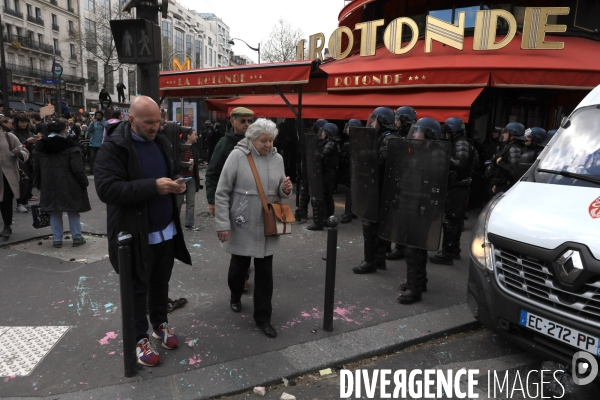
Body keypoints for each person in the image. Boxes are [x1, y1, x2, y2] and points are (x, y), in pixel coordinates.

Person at [94, 95, 191, 367]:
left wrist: (176, 183)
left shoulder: (160, 141)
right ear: (132, 119)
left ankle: (160, 324)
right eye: (149, 123)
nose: (154, 127)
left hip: (165, 231)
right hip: (134, 235)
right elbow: (107, 190)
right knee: (137, 289)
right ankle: (139, 338)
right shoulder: (113, 148)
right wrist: (153, 187)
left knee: (161, 283)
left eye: (158, 122)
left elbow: (165, 177)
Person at [214, 118, 293, 339]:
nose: (268, 145)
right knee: (238, 268)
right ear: (251, 139)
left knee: (265, 273)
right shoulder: (237, 156)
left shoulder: (278, 158)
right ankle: (235, 294)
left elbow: (280, 191)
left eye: (271, 140)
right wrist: (222, 224)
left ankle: (263, 318)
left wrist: (285, 189)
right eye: (263, 140)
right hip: (242, 222)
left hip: (268, 223)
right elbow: (222, 193)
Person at [397, 117, 446, 304]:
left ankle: (414, 289)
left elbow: (436, 183)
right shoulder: (418, 151)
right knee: (417, 246)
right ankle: (419, 281)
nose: (415, 134)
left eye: (418, 131)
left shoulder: (436, 154)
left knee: (413, 247)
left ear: (429, 134)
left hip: (423, 206)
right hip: (412, 203)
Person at [206, 107, 255, 290]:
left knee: (250, 239)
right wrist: (212, 200)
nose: (247, 124)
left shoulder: (255, 142)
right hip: (232, 201)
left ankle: (244, 273)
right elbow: (212, 173)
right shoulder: (224, 144)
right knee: (238, 244)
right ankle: (239, 278)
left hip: (252, 201)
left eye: (249, 121)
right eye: (243, 121)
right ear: (232, 121)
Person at [353, 107, 399, 274]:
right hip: (380, 189)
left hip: (381, 190)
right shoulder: (385, 137)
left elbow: (379, 163)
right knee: (376, 226)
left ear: (382, 121)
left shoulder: (388, 140)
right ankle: (378, 260)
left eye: (375, 120)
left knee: (370, 225)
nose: (372, 123)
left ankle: (370, 261)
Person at [33, 120, 90, 248]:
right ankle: (76, 237)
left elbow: (35, 167)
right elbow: (77, 168)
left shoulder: (40, 145)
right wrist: (83, 182)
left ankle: (57, 239)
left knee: (54, 210)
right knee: (73, 209)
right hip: (69, 181)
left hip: (48, 181)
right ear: (63, 130)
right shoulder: (70, 145)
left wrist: (38, 183)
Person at [430, 117, 476, 265]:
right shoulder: (460, 142)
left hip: (458, 187)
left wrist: (444, 155)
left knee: (451, 221)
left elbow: (460, 164)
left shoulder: (461, 143)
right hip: (458, 186)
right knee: (454, 220)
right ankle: (453, 250)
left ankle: (447, 253)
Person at [0, 117, 30, 238]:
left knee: (5, 201)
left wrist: (19, 152)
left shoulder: (9, 137)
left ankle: (7, 226)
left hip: (6, 174)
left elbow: (25, 152)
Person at [307, 123, 340, 231]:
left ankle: (318, 222)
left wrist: (314, 152)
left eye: (324, 131)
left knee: (319, 196)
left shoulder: (330, 144)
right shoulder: (331, 142)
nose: (322, 133)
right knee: (327, 197)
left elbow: (322, 156)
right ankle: (327, 219)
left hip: (326, 173)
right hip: (329, 173)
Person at [11, 114, 40, 209]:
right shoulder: (13, 134)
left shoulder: (29, 132)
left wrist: (37, 140)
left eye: (25, 122)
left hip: (30, 158)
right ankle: (20, 203)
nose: (23, 124)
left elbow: (32, 146)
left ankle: (25, 200)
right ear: (17, 123)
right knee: (22, 181)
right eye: (21, 122)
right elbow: (17, 148)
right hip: (20, 160)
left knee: (30, 180)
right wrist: (27, 142)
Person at [177, 129, 203, 230]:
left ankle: (189, 224)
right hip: (181, 178)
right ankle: (175, 223)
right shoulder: (179, 149)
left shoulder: (194, 150)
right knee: (178, 202)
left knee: (190, 202)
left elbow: (195, 167)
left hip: (191, 178)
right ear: (188, 136)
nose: (197, 137)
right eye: (195, 135)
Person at [490, 122, 525, 194]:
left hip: (507, 186)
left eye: (506, 133)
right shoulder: (508, 147)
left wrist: (500, 163)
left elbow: (514, 171)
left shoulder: (514, 149)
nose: (503, 134)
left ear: (512, 136)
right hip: (501, 184)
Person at [340, 119, 362, 224]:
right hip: (353, 171)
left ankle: (347, 213)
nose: (347, 129)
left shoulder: (352, 143)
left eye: (349, 127)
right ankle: (353, 211)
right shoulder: (359, 141)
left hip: (351, 170)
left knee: (349, 192)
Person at [87, 111, 108, 175]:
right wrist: (92, 124)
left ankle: (101, 170)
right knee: (92, 157)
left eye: (100, 115)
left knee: (102, 158)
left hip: (102, 143)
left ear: (102, 116)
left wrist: (103, 125)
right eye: (97, 115)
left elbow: (108, 130)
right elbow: (89, 130)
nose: (98, 116)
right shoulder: (93, 123)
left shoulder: (105, 123)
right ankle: (92, 170)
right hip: (93, 143)